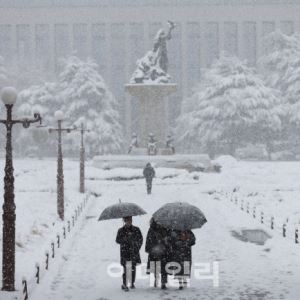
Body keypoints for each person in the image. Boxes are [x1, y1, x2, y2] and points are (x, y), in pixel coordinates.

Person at [116, 216, 143, 291]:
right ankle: (125, 284)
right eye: (127, 220)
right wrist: (124, 239)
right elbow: (117, 240)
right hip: (125, 253)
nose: (129, 222)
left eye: (130, 220)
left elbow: (140, 239)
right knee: (126, 269)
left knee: (133, 269)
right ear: (124, 221)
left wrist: (136, 246)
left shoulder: (136, 229)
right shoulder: (121, 230)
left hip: (134, 252)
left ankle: (132, 282)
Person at [145, 218, 172, 289]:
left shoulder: (166, 228)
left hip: (164, 251)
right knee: (155, 267)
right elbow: (149, 239)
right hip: (155, 251)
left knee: (164, 267)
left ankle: (163, 283)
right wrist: (151, 248)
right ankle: (156, 279)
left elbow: (169, 239)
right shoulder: (152, 229)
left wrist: (165, 241)